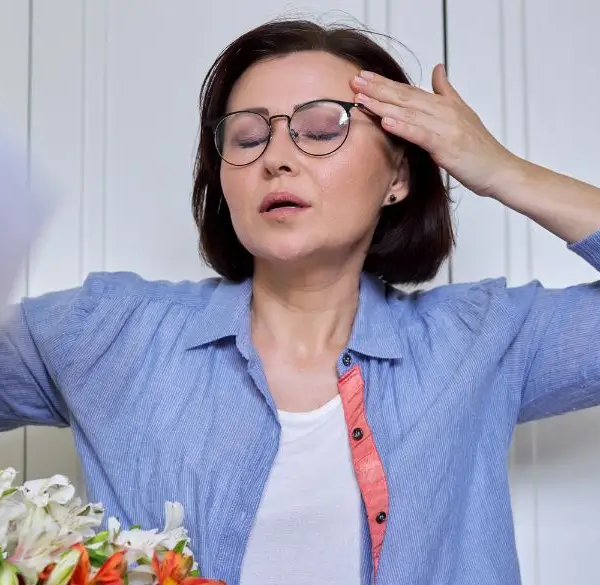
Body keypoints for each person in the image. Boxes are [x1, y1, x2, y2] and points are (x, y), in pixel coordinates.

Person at [2, 17, 600, 585]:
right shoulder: (111, 331)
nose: (276, 157)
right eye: (247, 136)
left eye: (321, 130)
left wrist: (501, 170)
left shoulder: (483, 339)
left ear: (398, 176)